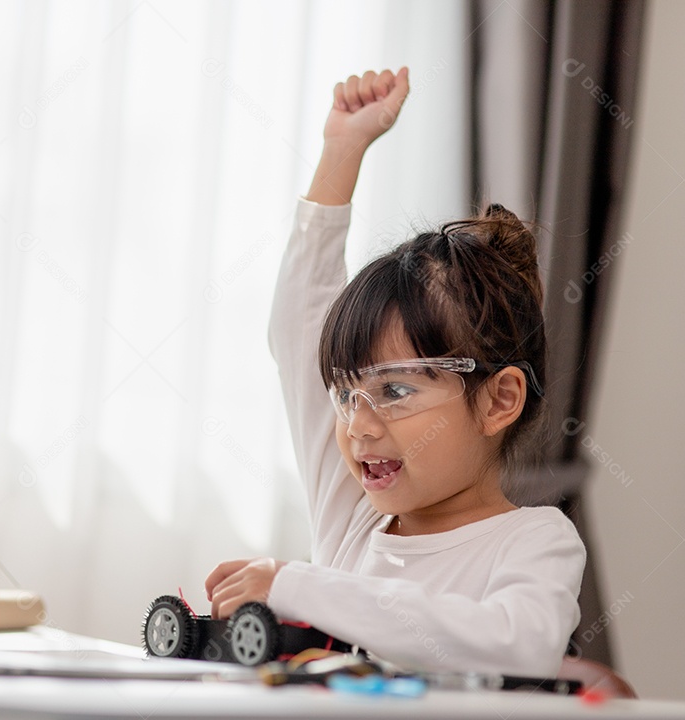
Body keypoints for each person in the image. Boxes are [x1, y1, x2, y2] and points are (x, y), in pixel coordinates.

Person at [204, 68, 585, 677]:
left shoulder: (536, 540)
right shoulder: (356, 510)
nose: (360, 426)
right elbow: (298, 322)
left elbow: (519, 644)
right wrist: (342, 150)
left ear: (498, 400)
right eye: (347, 394)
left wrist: (300, 586)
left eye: (395, 390)